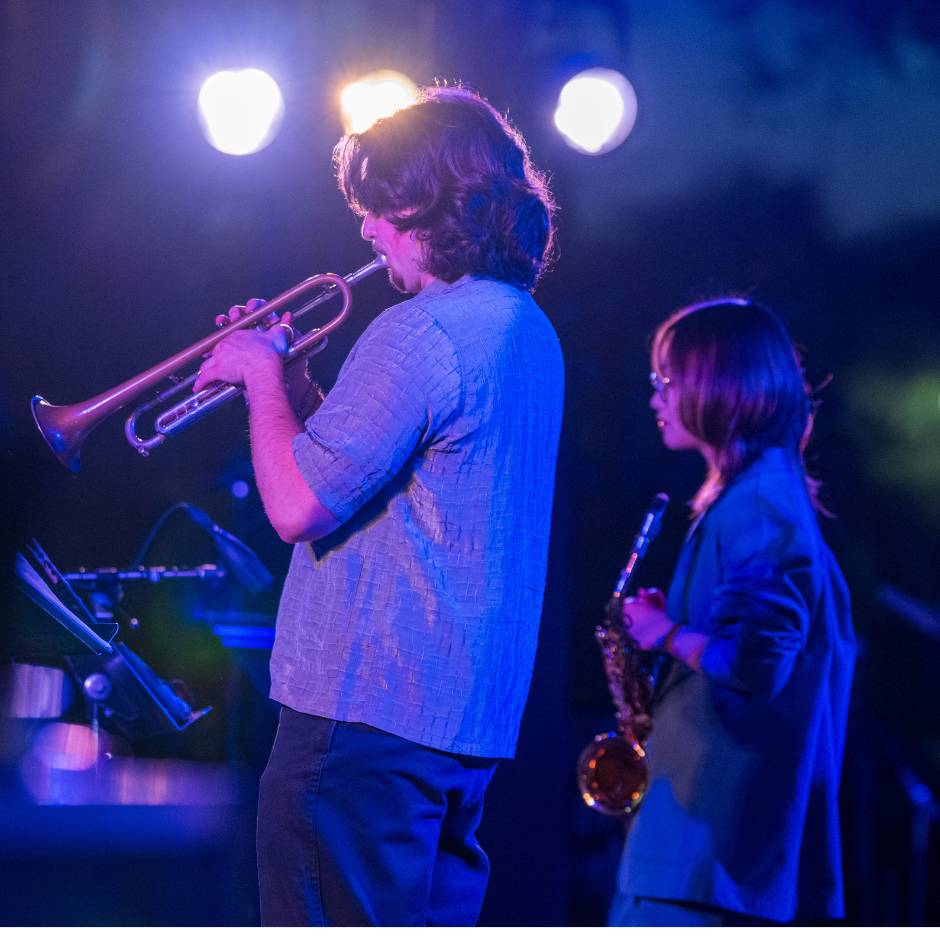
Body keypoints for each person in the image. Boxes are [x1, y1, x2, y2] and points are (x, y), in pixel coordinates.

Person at [193, 86, 563, 926]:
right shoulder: (525, 328)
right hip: (458, 727)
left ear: (416, 202)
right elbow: (378, 472)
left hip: (361, 723)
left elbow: (296, 505)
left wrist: (255, 378)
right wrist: (292, 383)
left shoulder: (419, 330)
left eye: (374, 207)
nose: (364, 230)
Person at [608, 298, 855, 927]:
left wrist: (665, 636)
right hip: (701, 860)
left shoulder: (759, 506)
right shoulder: (761, 498)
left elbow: (755, 665)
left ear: (719, 387)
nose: (655, 396)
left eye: (667, 379)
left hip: (704, 861)